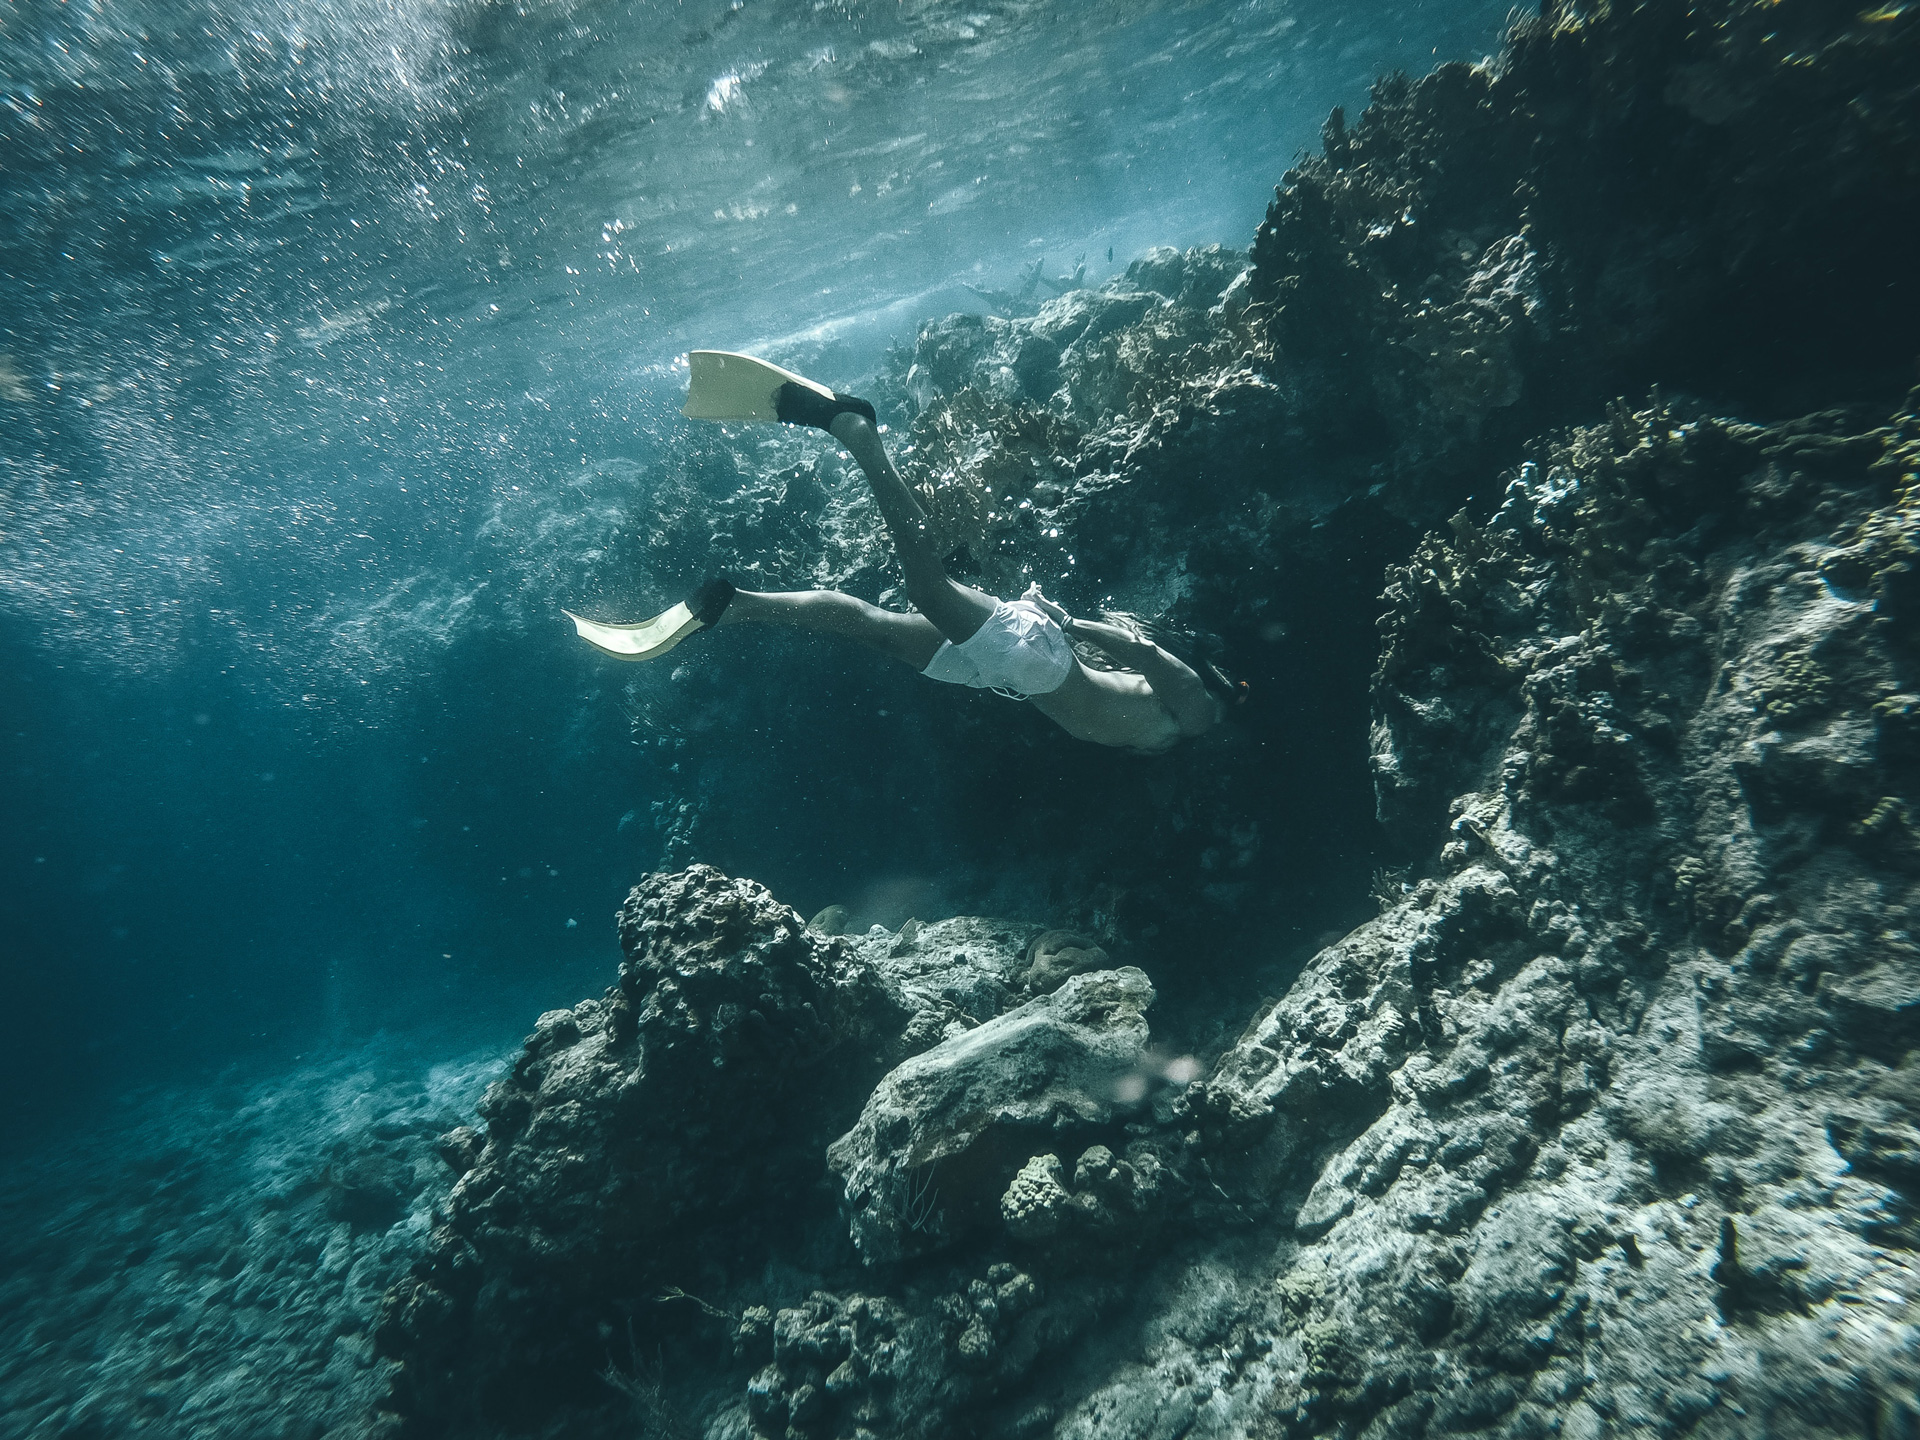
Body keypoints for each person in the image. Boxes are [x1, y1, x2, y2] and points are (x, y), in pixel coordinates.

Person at [570, 378, 1246, 753]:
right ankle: (859, 433)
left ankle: (733, 603)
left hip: (1010, 676)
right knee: (924, 584)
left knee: (870, 626)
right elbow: (1142, 648)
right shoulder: (1200, 709)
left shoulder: (1179, 716)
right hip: (1034, 659)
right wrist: (1068, 622)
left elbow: (1134, 659)